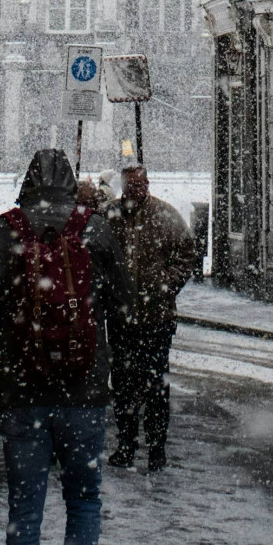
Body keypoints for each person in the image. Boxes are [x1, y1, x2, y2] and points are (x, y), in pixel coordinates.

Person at [0, 149, 132, 545]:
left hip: (23, 390)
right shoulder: (94, 228)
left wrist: (13, 324)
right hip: (85, 393)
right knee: (83, 500)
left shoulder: (7, 229)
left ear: (27, 182)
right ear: (72, 184)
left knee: (25, 510)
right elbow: (124, 301)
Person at [106, 165, 198, 471]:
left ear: (147, 184)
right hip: (121, 319)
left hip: (156, 318)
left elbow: (187, 256)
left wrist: (165, 286)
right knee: (123, 384)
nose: (135, 190)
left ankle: (157, 447)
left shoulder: (166, 216)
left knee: (156, 384)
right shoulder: (110, 216)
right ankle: (127, 443)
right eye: (130, 185)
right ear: (122, 186)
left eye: (140, 184)